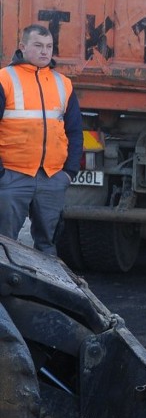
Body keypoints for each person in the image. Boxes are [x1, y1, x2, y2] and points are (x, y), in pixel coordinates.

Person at [0, 24, 83, 255]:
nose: (44, 52)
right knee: (4, 246)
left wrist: (69, 172)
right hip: (12, 177)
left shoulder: (62, 83)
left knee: (48, 247)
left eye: (49, 46)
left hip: (52, 178)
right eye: (38, 45)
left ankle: (41, 291)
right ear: (22, 47)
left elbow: (75, 131)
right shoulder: (4, 79)